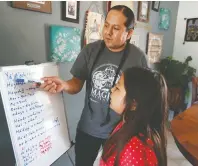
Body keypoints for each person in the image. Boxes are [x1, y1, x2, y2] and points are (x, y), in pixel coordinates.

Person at [39, 5, 148, 166]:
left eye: (116, 28)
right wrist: (64, 85)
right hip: (88, 128)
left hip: (121, 131)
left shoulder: (138, 58)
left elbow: (142, 99)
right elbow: (76, 84)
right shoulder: (90, 50)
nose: (108, 32)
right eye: (106, 25)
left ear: (129, 33)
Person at [100, 67, 168, 166]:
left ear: (134, 103)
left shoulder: (134, 150)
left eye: (118, 88)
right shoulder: (127, 123)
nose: (112, 89)